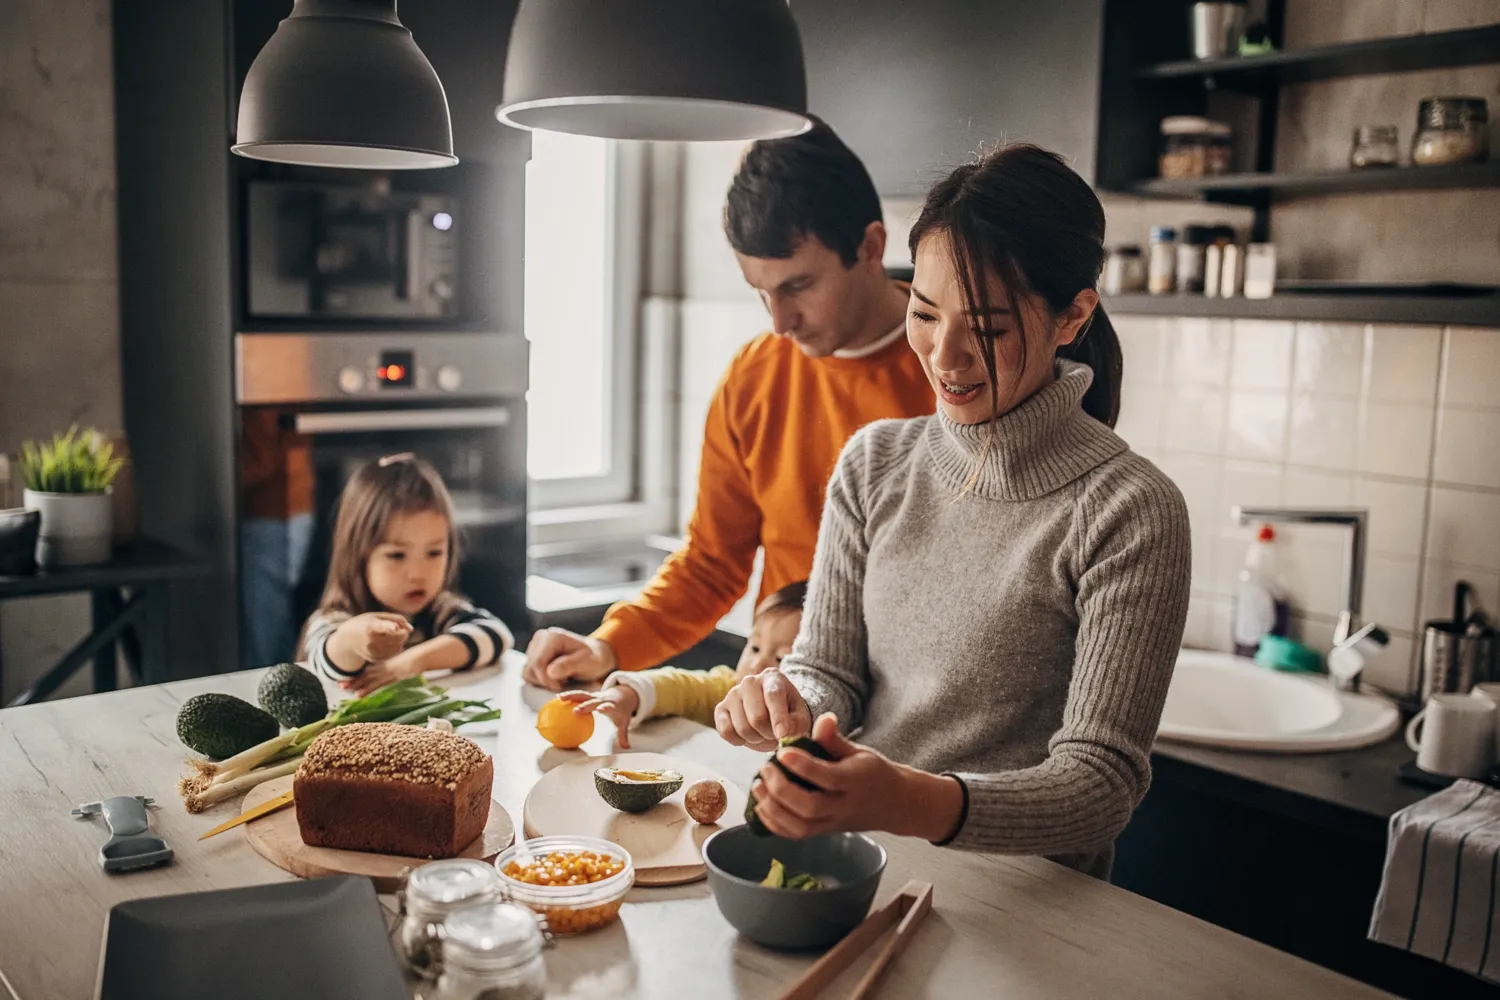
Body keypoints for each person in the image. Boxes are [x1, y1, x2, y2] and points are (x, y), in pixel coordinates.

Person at [714, 144, 1192, 880]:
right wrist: (787, 700)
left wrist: (908, 801)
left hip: (1034, 911)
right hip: (866, 864)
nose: (946, 356)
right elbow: (828, 670)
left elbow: (1101, 786)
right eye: (926, 314)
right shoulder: (874, 463)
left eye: (990, 329)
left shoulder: (1129, 511)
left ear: (1072, 317)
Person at [523, 122, 935, 691]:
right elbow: (712, 564)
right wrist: (607, 646)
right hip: (784, 711)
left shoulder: (957, 371)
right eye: (761, 293)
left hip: (918, 723)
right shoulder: (755, 375)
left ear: (869, 248)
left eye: (797, 286)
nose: (779, 323)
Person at [300, 453, 514, 696]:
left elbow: (496, 635)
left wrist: (413, 662)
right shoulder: (336, 617)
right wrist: (354, 639)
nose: (417, 574)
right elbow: (326, 659)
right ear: (358, 555)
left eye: (434, 553)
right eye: (397, 556)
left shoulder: (438, 612)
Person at [558, 581, 806, 749]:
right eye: (754, 648)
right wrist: (627, 694)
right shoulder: (729, 689)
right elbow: (680, 687)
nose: (758, 665)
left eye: (782, 658)